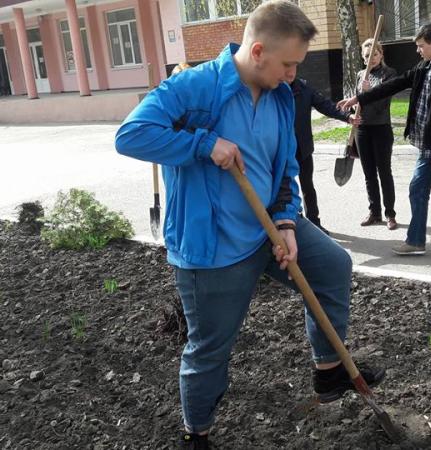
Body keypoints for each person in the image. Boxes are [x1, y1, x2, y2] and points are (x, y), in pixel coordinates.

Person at [114, 2, 384, 449]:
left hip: (267, 229)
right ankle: (196, 433)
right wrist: (204, 144)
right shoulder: (195, 87)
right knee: (209, 350)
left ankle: (328, 372)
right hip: (213, 246)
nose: (294, 74)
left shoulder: (280, 96)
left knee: (332, 266)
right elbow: (130, 135)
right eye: (288, 63)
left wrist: (287, 224)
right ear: (257, 50)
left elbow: (285, 169)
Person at [338, 22, 431, 261]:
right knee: (417, 189)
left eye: (421, 46)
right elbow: (394, 84)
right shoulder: (424, 67)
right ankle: (416, 241)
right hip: (426, 145)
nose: (418, 50)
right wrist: (358, 97)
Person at [287, 76, 358, 234]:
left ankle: (314, 224)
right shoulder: (273, 90)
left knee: (308, 187)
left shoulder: (304, 89)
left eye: (293, 67)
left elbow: (326, 105)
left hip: (303, 149)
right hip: (282, 152)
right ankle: (288, 226)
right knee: (285, 189)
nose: (290, 72)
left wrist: (347, 117)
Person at [354, 38, 398, 230]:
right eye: (367, 56)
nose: (371, 59)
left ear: (381, 55)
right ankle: (375, 212)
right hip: (362, 129)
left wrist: (369, 91)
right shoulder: (360, 75)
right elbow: (357, 103)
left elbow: (383, 102)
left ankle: (390, 214)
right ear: (363, 58)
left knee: (384, 172)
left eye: (374, 54)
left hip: (381, 128)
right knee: (368, 173)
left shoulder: (389, 74)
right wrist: (353, 111)